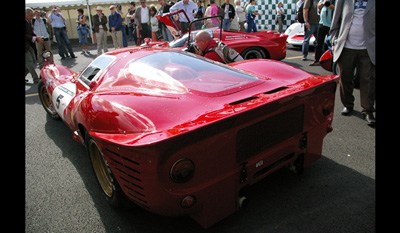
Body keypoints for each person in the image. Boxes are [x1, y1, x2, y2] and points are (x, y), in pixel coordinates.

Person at [329, 0, 375, 125]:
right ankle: (348, 104)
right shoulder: (344, 1)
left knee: (368, 80)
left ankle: (368, 110)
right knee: (345, 77)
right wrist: (334, 40)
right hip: (346, 46)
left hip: (368, 48)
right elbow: (336, 19)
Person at [309, 0, 334, 66]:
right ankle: (317, 60)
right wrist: (324, 3)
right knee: (318, 43)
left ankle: (332, 61)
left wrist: (329, 5)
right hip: (322, 24)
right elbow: (319, 6)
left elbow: (336, 8)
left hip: (331, 25)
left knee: (332, 44)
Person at [25, 7, 43, 83]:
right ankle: (35, 78)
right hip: (26, 45)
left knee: (32, 61)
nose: (32, 17)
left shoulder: (28, 22)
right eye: (30, 15)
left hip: (28, 45)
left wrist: (36, 37)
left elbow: (31, 32)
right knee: (29, 62)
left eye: (32, 15)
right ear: (25, 14)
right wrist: (34, 38)